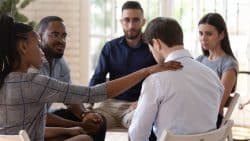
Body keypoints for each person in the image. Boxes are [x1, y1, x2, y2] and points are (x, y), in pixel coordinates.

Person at [0, 14, 182, 141]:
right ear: (23, 47)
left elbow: (26, 131)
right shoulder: (35, 82)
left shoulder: (5, 79)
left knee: (81, 135)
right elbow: (93, 93)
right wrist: (147, 71)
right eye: (37, 45)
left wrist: (70, 129)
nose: (40, 51)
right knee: (84, 139)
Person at [128, 17, 224, 141]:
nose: (152, 53)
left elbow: (137, 136)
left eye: (150, 49)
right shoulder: (212, 76)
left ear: (156, 44)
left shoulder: (156, 80)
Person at [36, 16, 106, 141]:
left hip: (45, 117)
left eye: (63, 36)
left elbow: (69, 97)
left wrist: (85, 115)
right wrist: (79, 125)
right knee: (83, 134)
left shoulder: (60, 62)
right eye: (55, 35)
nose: (61, 40)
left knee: (98, 122)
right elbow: (36, 116)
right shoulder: (30, 65)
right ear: (40, 37)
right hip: (33, 123)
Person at [89, 1, 156, 130]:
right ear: (121, 22)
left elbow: (160, 80)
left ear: (143, 21)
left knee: (140, 126)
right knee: (92, 123)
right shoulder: (110, 47)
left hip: (137, 105)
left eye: (136, 20)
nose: (131, 25)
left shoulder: (152, 48)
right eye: (127, 20)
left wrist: (143, 102)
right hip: (109, 105)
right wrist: (88, 105)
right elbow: (98, 78)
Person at [196, 13, 238, 127]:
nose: (203, 38)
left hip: (211, 119)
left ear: (221, 35)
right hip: (194, 114)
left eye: (209, 34)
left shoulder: (229, 64)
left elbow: (218, 103)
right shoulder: (199, 60)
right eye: (200, 33)